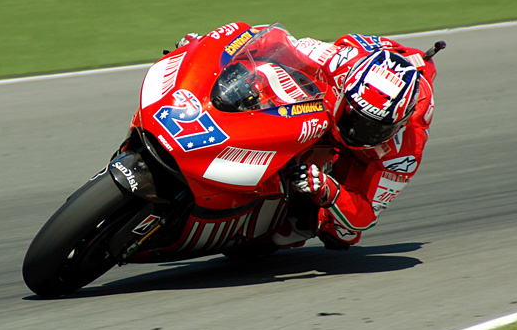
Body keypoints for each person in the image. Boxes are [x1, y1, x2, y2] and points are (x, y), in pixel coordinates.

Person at [178, 27, 440, 250]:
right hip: (337, 90)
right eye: (354, 117)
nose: (357, 132)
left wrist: (328, 188)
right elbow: (273, 40)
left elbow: (365, 215)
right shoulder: (338, 61)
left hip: (364, 156)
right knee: (259, 75)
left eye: (374, 129)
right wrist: (205, 51)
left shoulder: (405, 150)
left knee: (341, 232)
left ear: (400, 124)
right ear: (345, 88)